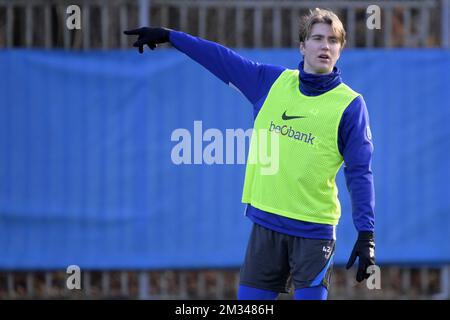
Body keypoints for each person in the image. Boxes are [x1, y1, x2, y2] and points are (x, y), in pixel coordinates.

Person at [124, 8, 375, 300]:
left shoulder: (350, 105)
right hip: (265, 228)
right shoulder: (270, 83)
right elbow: (220, 59)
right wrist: (170, 37)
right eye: (317, 38)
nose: (325, 46)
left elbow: (359, 172)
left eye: (333, 40)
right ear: (302, 46)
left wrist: (366, 233)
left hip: (314, 232)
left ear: (340, 49)